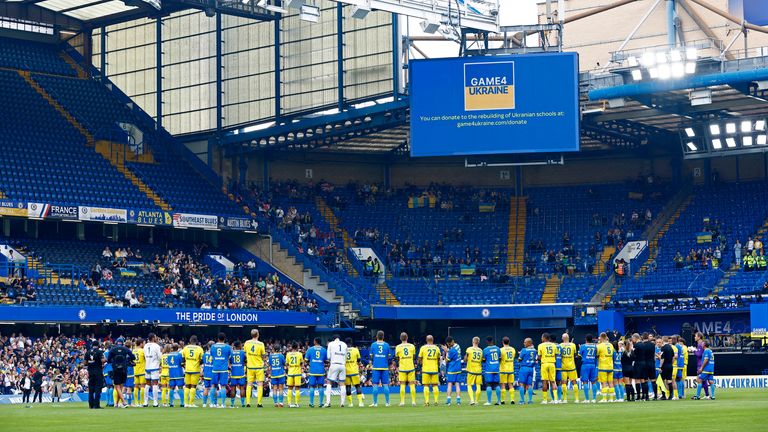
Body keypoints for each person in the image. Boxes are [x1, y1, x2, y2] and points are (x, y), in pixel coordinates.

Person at [244, 329, 266, 408]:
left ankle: (248, 403)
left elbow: (245, 353)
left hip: (250, 366)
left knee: (249, 384)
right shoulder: (261, 344)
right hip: (259, 367)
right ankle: (259, 403)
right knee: (260, 384)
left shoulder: (247, 343)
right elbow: (263, 356)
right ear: (258, 335)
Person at [324, 334, 348, 408]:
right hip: (342, 365)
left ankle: (328, 402)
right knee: (342, 384)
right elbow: (346, 356)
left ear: (333, 339)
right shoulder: (344, 344)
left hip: (334, 364)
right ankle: (342, 403)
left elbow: (328, 356)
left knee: (329, 382)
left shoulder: (331, 344)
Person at [369, 331, 391, 407]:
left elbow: (371, 356)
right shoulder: (387, 345)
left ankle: (375, 403)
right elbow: (388, 357)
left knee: (375, 385)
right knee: (385, 385)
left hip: (376, 367)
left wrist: (377, 358)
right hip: (384, 367)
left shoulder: (373, 345)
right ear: (383, 336)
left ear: (376, 337)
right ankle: (387, 403)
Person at [210, 332, 232, 408]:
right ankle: (223, 404)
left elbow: (212, 356)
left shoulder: (213, 347)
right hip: (224, 369)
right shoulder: (228, 347)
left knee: (213, 386)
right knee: (223, 386)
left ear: (218, 338)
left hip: (215, 368)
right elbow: (230, 357)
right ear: (224, 339)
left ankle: (213, 403)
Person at [181, 335, 204, 407]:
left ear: (190, 341)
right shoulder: (199, 349)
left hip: (187, 369)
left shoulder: (185, 348)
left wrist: (185, 365)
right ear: (196, 341)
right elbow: (202, 360)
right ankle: (191, 403)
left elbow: (182, 359)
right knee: (193, 386)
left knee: (187, 386)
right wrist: (197, 363)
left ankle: (185, 403)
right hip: (195, 369)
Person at [417, 335, 440, 406]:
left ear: (426, 340)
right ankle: (436, 401)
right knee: (435, 385)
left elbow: (419, 358)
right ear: (433, 340)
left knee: (426, 386)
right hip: (434, 369)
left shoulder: (423, 348)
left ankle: (427, 402)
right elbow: (438, 359)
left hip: (426, 369)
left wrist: (421, 364)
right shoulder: (437, 348)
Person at [394, 332, 416, 407]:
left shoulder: (398, 347)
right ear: (407, 338)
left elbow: (397, 358)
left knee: (402, 384)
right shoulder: (412, 346)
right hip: (411, 367)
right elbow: (414, 357)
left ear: (400, 338)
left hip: (402, 368)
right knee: (412, 384)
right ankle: (413, 402)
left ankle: (402, 402)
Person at [305, 337, 327, 408]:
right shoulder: (324, 350)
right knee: (321, 386)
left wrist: (311, 363)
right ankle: (321, 403)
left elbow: (306, 359)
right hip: (321, 370)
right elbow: (326, 360)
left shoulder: (310, 349)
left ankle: (311, 403)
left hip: (312, 370)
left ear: (315, 341)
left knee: (312, 386)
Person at [537, 332, 557, 404]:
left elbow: (539, 357)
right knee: (553, 381)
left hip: (544, 364)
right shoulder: (554, 345)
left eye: (542, 337)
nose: (541, 338)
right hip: (552, 364)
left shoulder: (540, 345)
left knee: (544, 381)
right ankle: (556, 399)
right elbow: (555, 355)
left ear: (544, 338)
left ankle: (545, 400)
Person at [344, 337, 364, 407]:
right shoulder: (355, 350)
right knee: (357, 386)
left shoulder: (344, 350)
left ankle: (350, 403)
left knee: (348, 387)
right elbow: (359, 360)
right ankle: (360, 402)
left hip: (346, 371)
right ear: (351, 342)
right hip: (354, 371)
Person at [144, 333, 163, 407]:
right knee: (155, 384)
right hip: (154, 366)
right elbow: (160, 356)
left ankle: (145, 402)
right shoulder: (156, 346)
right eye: (155, 337)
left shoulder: (145, 345)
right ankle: (155, 402)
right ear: (153, 338)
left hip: (147, 366)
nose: (156, 338)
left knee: (147, 384)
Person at [482, 336, 501, 406]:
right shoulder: (498, 349)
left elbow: (483, 360)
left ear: (487, 341)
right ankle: (499, 401)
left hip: (489, 370)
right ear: (492, 341)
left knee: (488, 385)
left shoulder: (485, 350)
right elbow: (500, 358)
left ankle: (489, 401)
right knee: (497, 385)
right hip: (496, 369)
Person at [559, 333, 579, 403]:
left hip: (563, 366)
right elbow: (575, 355)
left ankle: (565, 399)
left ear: (562, 338)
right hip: (571, 366)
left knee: (564, 383)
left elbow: (559, 356)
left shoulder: (560, 345)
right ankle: (576, 399)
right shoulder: (573, 345)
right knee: (574, 382)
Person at [578, 334, 598, 403]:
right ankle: (594, 399)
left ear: (586, 339)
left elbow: (579, 355)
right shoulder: (595, 346)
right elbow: (596, 355)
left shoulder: (583, 346)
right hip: (593, 365)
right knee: (593, 382)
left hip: (585, 365)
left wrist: (580, 348)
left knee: (585, 382)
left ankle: (587, 399)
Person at [596, 332, 615, 402]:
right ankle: (611, 399)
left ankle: (604, 399)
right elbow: (613, 354)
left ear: (601, 337)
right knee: (610, 382)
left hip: (603, 366)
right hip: (610, 366)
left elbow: (597, 355)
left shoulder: (599, 346)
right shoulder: (611, 345)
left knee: (603, 383)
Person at [464, 336, 483, 406]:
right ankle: (477, 401)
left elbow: (465, 359)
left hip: (471, 370)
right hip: (478, 370)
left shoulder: (469, 349)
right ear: (478, 342)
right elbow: (481, 360)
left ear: (473, 341)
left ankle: (472, 400)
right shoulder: (481, 350)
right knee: (478, 386)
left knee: (469, 385)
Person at [86, 341, 105, 409]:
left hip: (90, 372)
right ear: (98, 345)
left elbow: (85, 362)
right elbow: (103, 360)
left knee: (91, 389)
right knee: (98, 389)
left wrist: (90, 362)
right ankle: (96, 405)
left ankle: (91, 405)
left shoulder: (88, 352)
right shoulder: (99, 352)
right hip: (98, 372)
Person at [517, 338, 536, 404]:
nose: (524, 343)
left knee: (521, 384)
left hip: (524, 368)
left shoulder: (523, 350)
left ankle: (522, 400)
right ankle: (530, 400)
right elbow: (536, 360)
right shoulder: (534, 350)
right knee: (529, 385)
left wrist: (520, 354)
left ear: (529, 343)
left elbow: (519, 359)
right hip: (531, 369)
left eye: (525, 342)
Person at [443, 336, 462, 406]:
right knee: (457, 385)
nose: (449, 345)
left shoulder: (451, 351)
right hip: (458, 368)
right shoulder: (458, 346)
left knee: (450, 384)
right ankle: (458, 401)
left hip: (451, 369)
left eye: (448, 344)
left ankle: (448, 400)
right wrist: (448, 350)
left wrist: (446, 352)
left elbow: (447, 361)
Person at [285, 342, 303, 408]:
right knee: (297, 388)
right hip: (297, 372)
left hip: (290, 372)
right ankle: (297, 403)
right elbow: (301, 363)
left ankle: (289, 403)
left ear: (291, 347)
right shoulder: (300, 354)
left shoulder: (288, 354)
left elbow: (286, 364)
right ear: (297, 347)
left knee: (290, 388)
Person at [499, 336, 516, 405]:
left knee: (503, 385)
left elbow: (499, 359)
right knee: (510, 385)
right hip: (511, 369)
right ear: (509, 342)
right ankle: (512, 400)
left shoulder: (501, 350)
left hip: (503, 369)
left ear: (502, 342)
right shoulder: (513, 349)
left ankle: (502, 400)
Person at [132, 338, 146, 407]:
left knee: (136, 387)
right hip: (142, 371)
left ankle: (136, 403)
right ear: (141, 344)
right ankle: (142, 402)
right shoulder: (142, 351)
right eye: (144, 343)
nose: (144, 344)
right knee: (142, 386)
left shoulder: (133, 351)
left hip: (135, 371)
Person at [201, 342, 214, 407]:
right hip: (213, 373)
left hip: (206, 373)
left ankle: (204, 403)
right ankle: (212, 403)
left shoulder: (204, 354)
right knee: (213, 388)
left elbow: (203, 363)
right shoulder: (214, 354)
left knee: (206, 388)